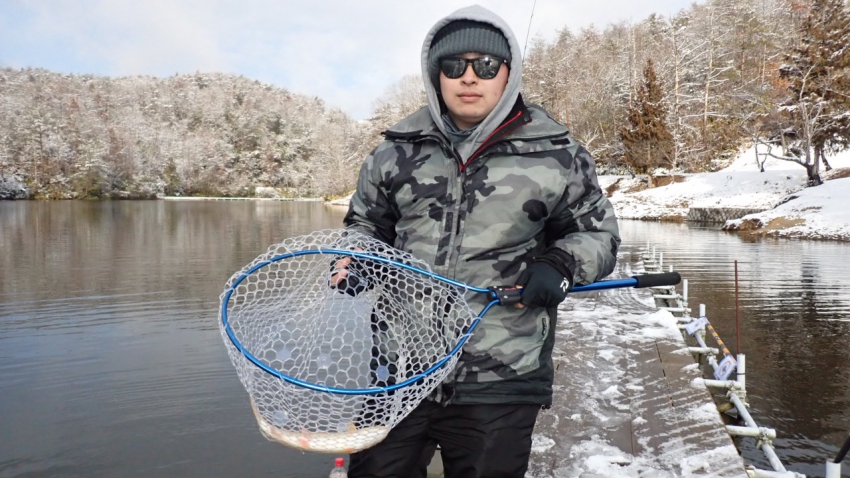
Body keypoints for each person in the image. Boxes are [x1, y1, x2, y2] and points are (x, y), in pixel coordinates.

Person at [339, 5, 621, 478]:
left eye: (486, 65)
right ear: (436, 74)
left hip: (502, 377)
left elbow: (598, 234)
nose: (469, 77)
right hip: (397, 370)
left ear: (508, 73)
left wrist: (560, 264)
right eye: (454, 66)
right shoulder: (393, 151)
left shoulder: (558, 154)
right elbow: (365, 225)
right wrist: (356, 259)